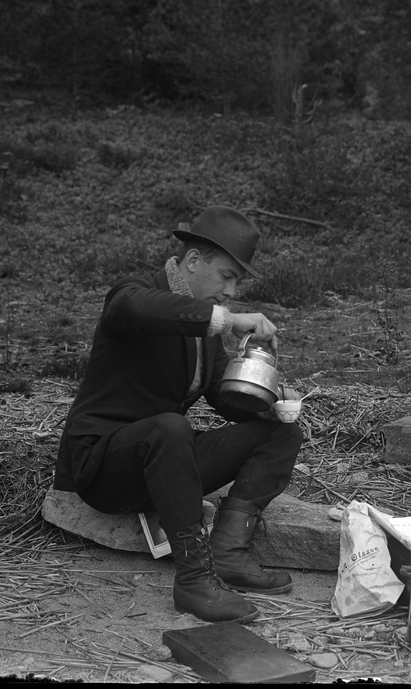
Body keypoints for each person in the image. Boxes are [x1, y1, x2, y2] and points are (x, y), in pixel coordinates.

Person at [53, 206, 303, 623]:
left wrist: (270, 394)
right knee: (171, 427)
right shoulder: (134, 294)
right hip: (105, 468)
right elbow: (134, 309)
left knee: (279, 433)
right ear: (192, 261)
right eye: (227, 275)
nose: (231, 291)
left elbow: (227, 398)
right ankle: (194, 579)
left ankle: (228, 554)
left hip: (166, 470)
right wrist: (223, 321)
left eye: (237, 281)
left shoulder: (206, 331)